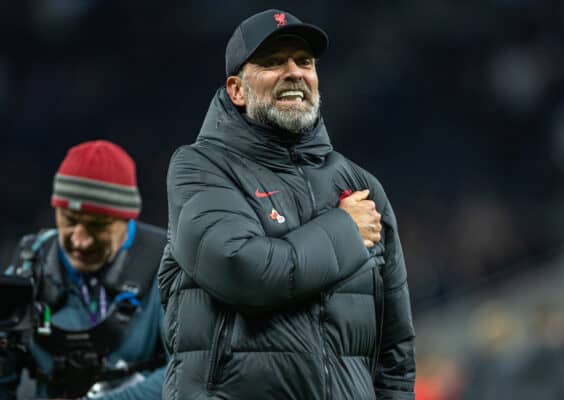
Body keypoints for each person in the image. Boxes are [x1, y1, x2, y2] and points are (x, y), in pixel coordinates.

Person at [159, 9, 416, 400]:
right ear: (237, 90)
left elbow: (394, 352)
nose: (294, 72)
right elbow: (241, 269)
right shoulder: (200, 168)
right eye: (273, 62)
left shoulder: (362, 187)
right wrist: (345, 230)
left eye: (305, 62)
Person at [0, 140, 167, 399]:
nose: (79, 240)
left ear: (127, 219)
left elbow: (190, 371)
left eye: (97, 226)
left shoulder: (167, 265)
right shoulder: (29, 264)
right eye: (69, 220)